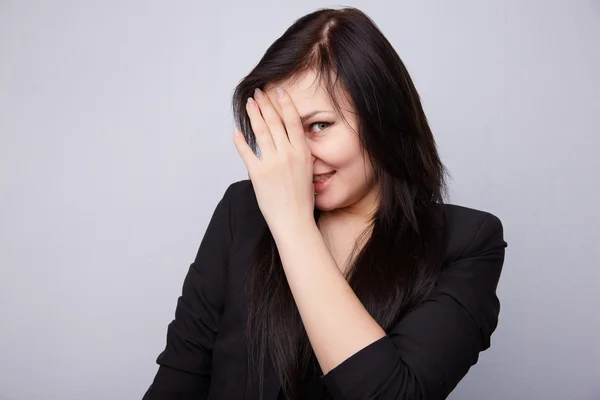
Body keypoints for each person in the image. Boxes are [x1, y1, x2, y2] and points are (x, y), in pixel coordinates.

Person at [142, 6, 507, 400]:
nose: (297, 154)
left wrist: (293, 224)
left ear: (382, 115)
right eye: (282, 130)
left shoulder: (466, 244)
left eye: (319, 126)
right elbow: (180, 377)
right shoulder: (241, 210)